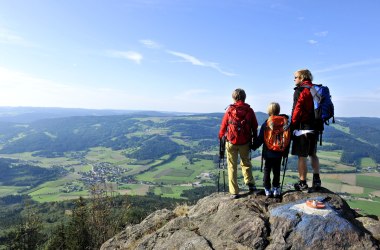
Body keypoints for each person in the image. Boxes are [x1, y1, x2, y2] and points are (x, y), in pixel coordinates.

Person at [218, 88, 258, 199]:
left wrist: (221, 137)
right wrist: (254, 138)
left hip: (231, 141)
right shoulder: (249, 111)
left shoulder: (230, 110)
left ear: (234, 98)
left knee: (232, 166)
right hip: (245, 141)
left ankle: (234, 192)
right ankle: (250, 184)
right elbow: (254, 126)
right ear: (244, 97)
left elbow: (223, 125)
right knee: (246, 162)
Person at [291, 69, 321, 191]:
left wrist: (292, 125)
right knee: (313, 154)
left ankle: (302, 183)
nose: (294, 79)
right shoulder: (315, 89)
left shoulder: (300, 91)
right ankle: (317, 179)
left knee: (302, 156)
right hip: (316, 127)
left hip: (302, 128)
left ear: (302, 77)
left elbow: (296, 110)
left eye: (296, 77)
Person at [251, 102, 287, 197]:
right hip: (279, 152)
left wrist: (253, 146)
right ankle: (276, 189)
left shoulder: (266, 123)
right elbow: (287, 138)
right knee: (277, 170)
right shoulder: (284, 122)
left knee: (267, 170)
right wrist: (285, 152)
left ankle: (267, 189)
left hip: (268, 152)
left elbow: (260, 139)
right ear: (278, 110)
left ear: (269, 111)